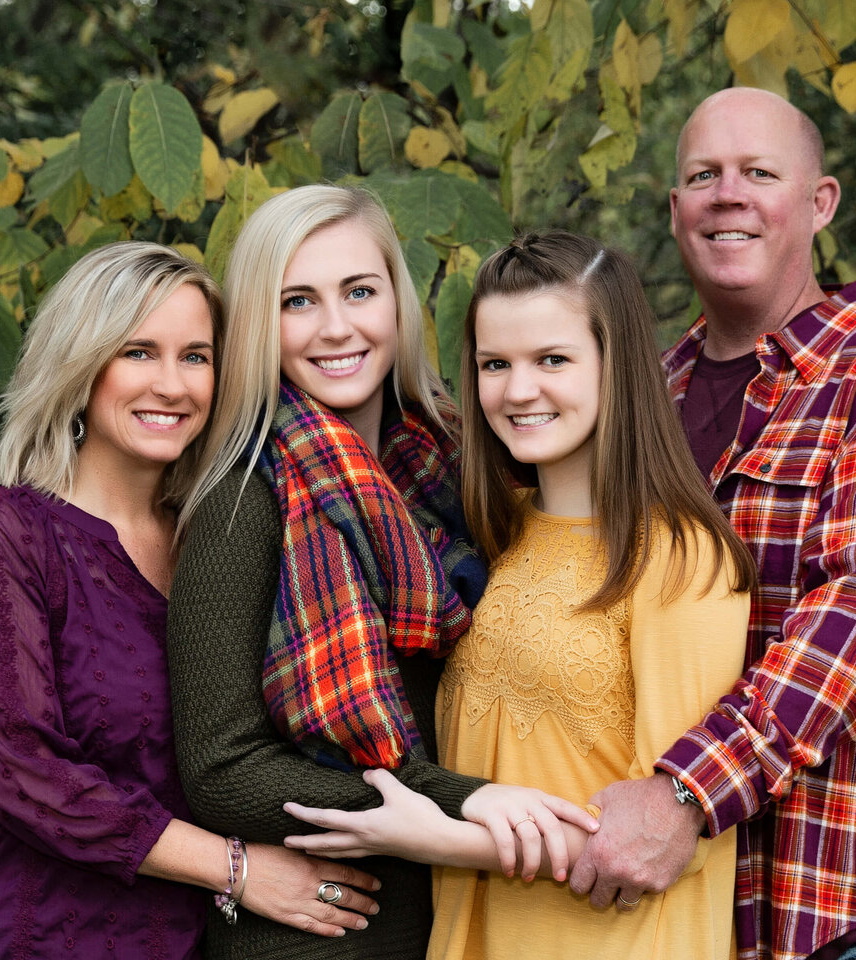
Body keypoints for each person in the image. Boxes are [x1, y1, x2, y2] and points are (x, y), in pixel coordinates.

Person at [567, 88, 856, 960]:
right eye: (704, 175)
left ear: (819, 203)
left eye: (759, 172)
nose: (729, 194)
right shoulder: (642, 390)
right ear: (676, 210)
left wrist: (686, 795)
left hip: (826, 911)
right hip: (660, 916)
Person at [281, 231, 757, 960]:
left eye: (552, 360)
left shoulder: (678, 555)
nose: (518, 390)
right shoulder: (493, 543)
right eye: (495, 364)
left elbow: (660, 843)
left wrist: (434, 837)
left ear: (617, 366)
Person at [166, 187, 592, 960]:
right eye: (299, 301)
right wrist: (462, 804)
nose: (337, 327)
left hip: (471, 914)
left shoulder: (460, 466)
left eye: (360, 291)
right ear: (263, 321)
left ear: (398, 301)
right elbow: (223, 771)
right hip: (324, 932)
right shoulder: (242, 496)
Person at [0, 242, 379, 960]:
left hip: (191, 941)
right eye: (139, 352)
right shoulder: (4, 531)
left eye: (196, 357)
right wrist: (239, 869)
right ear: (82, 364)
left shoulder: (217, 539)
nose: (172, 384)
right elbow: (21, 769)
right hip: (31, 931)